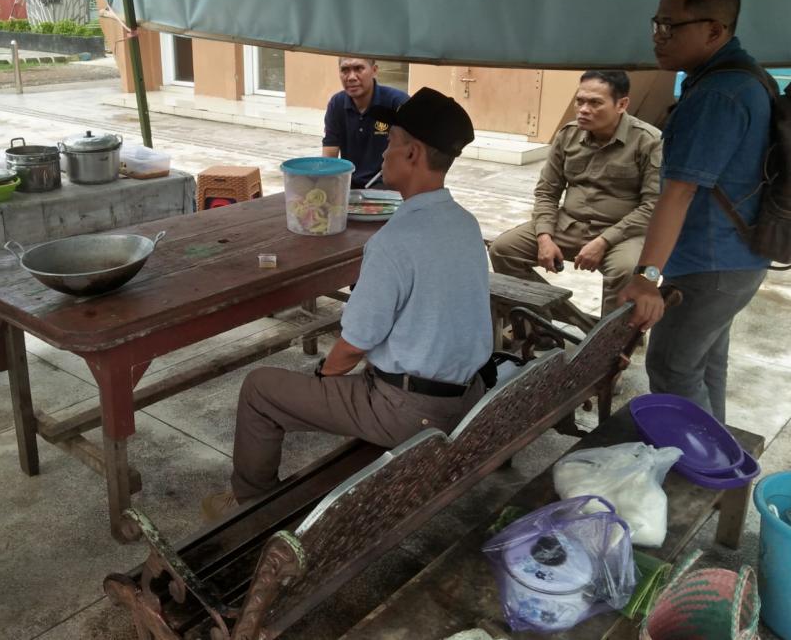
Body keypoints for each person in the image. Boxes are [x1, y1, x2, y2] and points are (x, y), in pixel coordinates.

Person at [203, 87, 493, 519]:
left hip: (410, 412)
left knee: (261, 389)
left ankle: (250, 503)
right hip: (470, 394)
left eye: (391, 144)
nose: (382, 155)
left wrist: (323, 375)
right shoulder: (466, 223)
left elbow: (352, 346)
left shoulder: (395, 241)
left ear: (412, 154)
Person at [618, 0, 771, 422]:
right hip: (733, 259)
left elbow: (678, 193)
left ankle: (699, 472)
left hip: (711, 264)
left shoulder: (718, 94)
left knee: (671, 367)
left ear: (715, 30)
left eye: (671, 27)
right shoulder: (745, 77)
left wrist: (646, 276)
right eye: (657, 24)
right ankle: (718, 470)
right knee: (704, 367)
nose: (658, 37)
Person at [489, 71, 662, 320]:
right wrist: (545, 236)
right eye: (580, 101)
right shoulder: (568, 135)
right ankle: (550, 322)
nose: (583, 109)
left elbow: (652, 206)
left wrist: (604, 241)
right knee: (503, 249)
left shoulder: (649, 141)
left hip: (621, 233)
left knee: (626, 271)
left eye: (595, 103)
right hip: (568, 223)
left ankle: (612, 343)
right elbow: (547, 191)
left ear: (622, 105)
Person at [322, 57, 408, 188]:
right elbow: (329, 155)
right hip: (348, 185)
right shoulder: (336, 103)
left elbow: (413, 155)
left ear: (374, 71)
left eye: (358, 68)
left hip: (387, 187)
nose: (351, 77)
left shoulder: (396, 102)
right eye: (345, 70)